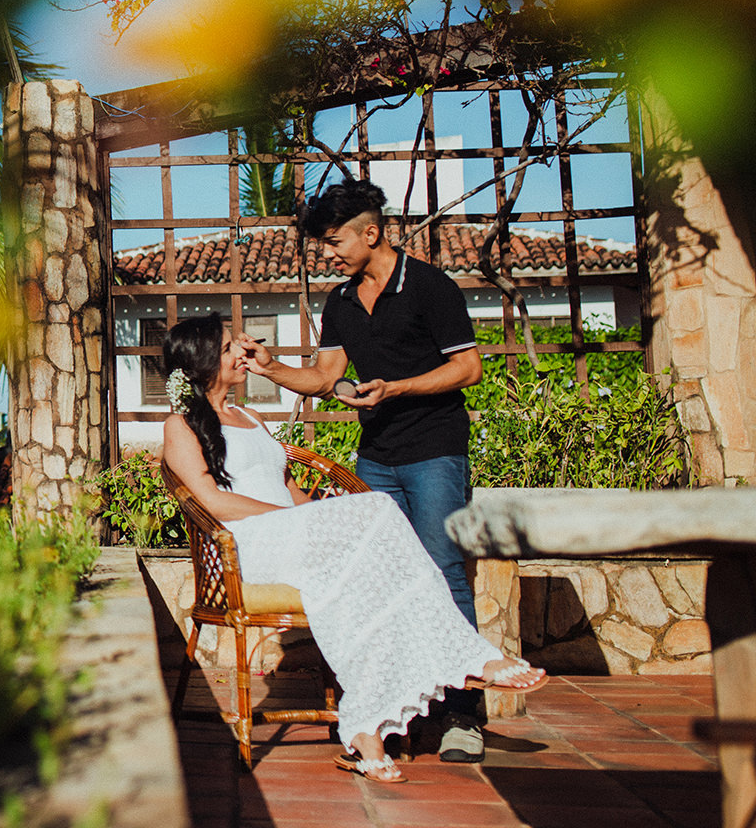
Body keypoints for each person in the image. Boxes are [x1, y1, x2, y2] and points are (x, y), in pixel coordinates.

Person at [162, 314, 545, 784]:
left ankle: (365, 731)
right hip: (250, 547)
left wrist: (320, 517)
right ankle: (464, 657)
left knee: (371, 575)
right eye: (227, 348)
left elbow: (289, 486)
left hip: (295, 535)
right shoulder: (179, 426)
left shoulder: (251, 417)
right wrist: (298, 518)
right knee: (380, 508)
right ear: (201, 361)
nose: (242, 351)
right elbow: (214, 501)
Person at [234, 178, 491, 763]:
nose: (328, 252)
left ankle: (461, 717)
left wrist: (399, 387)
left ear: (370, 232)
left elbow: (469, 369)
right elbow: (324, 378)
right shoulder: (342, 301)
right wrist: (272, 368)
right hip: (376, 457)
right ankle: (385, 710)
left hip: (434, 452)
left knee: (445, 573)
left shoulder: (429, 286)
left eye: (334, 241)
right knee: (376, 578)